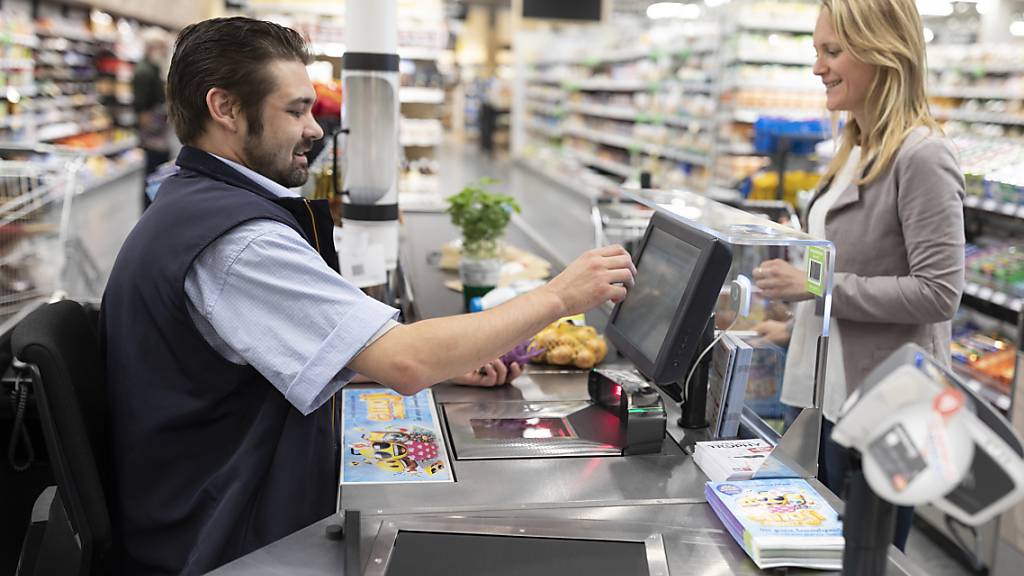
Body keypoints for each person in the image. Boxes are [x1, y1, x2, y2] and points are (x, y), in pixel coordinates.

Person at [101, 17, 636, 575]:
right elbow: (405, 362)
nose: (314, 128)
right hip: (225, 537)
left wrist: (435, 363)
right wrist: (559, 295)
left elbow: (260, 357)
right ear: (226, 109)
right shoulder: (238, 244)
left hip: (207, 498)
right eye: (295, 109)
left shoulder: (196, 203)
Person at [752, 0, 965, 551]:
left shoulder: (923, 155)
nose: (818, 67)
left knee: (864, 558)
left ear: (882, 52)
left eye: (832, 51)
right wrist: (795, 285)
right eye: (816, 51)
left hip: (884, 407)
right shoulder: (854, 146)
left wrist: (818, 287)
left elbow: (939, 293)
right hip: (827, 395)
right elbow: (847, 261)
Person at [133, 28, 172, 211]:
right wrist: (150, 130)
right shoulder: (144, 71)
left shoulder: (153, 68)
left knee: (158, 168)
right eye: (162, 47)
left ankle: (154, 207)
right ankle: (149, 209)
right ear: (153, 47)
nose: (165, 52)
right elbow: (141, 107)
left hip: (158, 127)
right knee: (153, 170)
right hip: (152, 130)